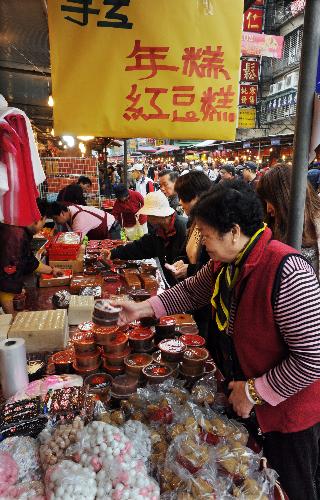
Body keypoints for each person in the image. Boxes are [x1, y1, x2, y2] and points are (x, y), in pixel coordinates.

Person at [114, 180, 320, 500]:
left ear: (234, 232)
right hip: (248, 401)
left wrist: (255, 391)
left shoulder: (287, 271)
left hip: (288, 415)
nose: (202, 243)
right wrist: (140, 309)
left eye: (206, 235)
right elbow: (191, 290)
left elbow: (312, 358)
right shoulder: (228, 264)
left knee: (290, 488)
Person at [104, 191, 187, 285]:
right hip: (170, 282)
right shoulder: (158, 229)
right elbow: (140, 247)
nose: (147, 218)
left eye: (149, 215)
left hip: (184, 285)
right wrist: (114, 253)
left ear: (158, 214)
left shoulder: (184, 227)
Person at [257, 163, 320, 276]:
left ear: (285, 197)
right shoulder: (270, 227)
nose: (268, 209)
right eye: (265, 201)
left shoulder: (316, 225)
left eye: (269, 200)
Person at [0, 199, 62, 313]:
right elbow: (7, 280)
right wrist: (12, 316)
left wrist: (52, 270)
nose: (42, 226)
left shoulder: (19, 229)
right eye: (44, 222)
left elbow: (29, 262)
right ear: (39, 219)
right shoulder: (14, 236)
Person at [167, 170, 212, 279]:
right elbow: (187, 254)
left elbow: (213, 267)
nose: (180, 202)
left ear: (197, 196)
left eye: (183, 198)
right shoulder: (192, 221)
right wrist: (181, 262)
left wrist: (190, 269)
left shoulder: (213, 226)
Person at [47, 202, 121, 240]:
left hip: (111, 229)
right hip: (99, 232)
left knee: (112, 256)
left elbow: (75, 242)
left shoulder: (79, 219)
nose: (55, 221)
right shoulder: (70, 211)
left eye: (55, 218)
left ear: (62, 213)